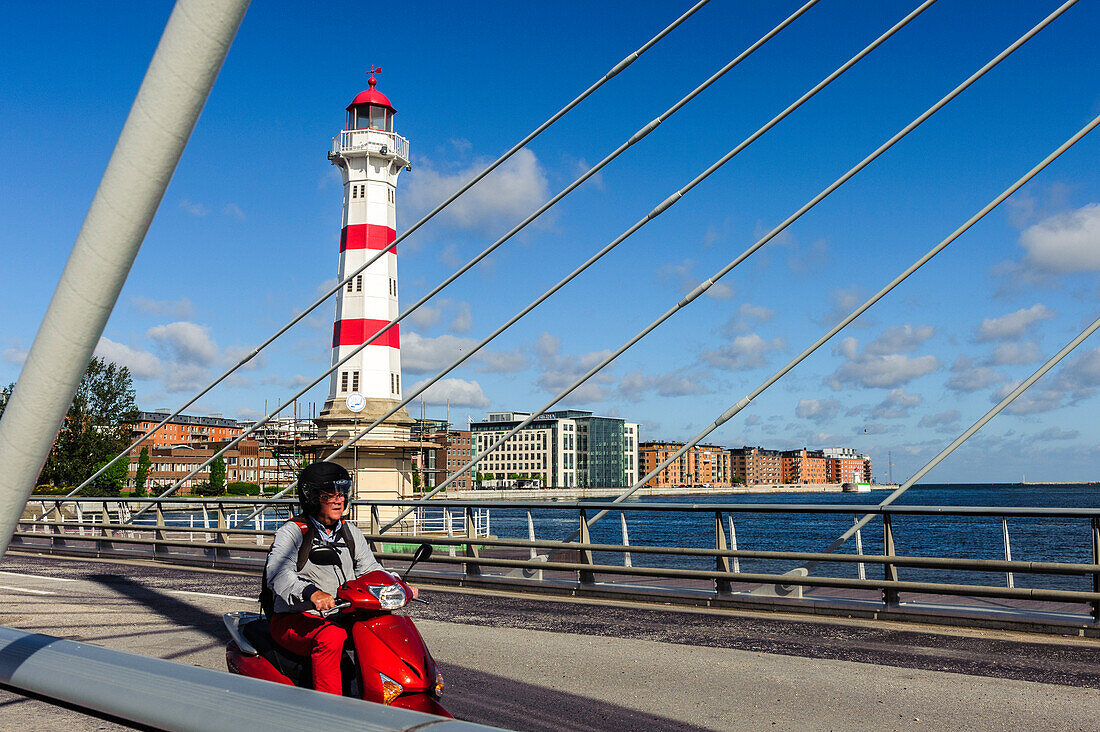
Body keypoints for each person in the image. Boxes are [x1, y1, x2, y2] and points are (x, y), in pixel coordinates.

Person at [265, 460, 403, 695]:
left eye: (342, 492)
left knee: (382, 626)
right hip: (295, 617)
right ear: (312, 497)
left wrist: (396, 583)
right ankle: (330, 708)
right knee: (332, 636)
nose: (339, 499)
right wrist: (312, 593)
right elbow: (277, 573)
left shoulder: (349, 531)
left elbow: (369, 568)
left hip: (339, 614)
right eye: (330, 494)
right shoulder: (294, 531)